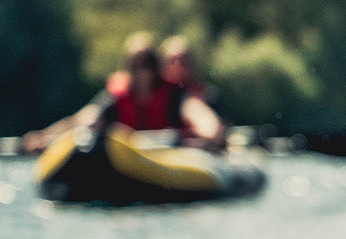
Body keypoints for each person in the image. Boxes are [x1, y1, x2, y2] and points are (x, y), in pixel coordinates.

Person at [22, 32, 227, 153]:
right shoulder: (116, 98)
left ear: (156, 67)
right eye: (137, 65)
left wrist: (210, 135)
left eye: (147, 64)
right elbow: (82, 120)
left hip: (172, 156)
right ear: (129, 68)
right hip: (128, 159)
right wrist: (44, 138)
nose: (143, 72)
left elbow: (202, 117)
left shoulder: (175, 95)